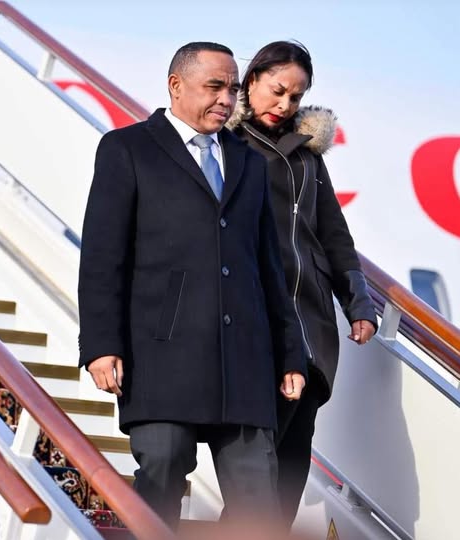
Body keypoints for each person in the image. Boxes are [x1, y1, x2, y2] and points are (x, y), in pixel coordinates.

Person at [77, 42, 307, 532]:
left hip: (244, 360)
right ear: (176, 85)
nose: (226, 99)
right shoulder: (127, 149)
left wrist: (291, 352)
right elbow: (102, 257)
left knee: (258, 498)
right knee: (162, 470)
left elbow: (269, 266)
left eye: (233, 89)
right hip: (161, 356)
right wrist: (100, 345)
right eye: (214, 86)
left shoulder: (247, 162)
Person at [227, 40, 378, 526]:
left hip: (312, 326)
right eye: (276, 90)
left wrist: (358, 303)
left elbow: (334, 235)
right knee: (256, 470)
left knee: (291, 465)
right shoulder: (226, 145)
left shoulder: (309, 158)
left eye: (295, 96)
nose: (284, 104)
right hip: (257, 322)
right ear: (251, 80)